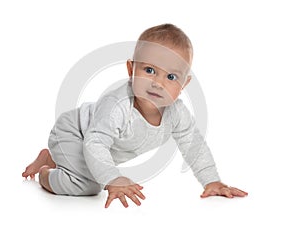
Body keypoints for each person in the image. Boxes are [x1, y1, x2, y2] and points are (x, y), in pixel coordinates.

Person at [22, 23, 248, 208]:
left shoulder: (176, 113)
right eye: (149, 70)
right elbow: (95, 142)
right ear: (131, 70)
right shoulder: (118, 105)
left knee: (94, 177)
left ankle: (56, 159)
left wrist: (212, 181)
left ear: (184, 84)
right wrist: (113, 178)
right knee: (87, 187)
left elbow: (194, 145)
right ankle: (46, 172)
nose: (158, 83)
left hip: (95, 145)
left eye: (171, 77)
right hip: (75, 133)